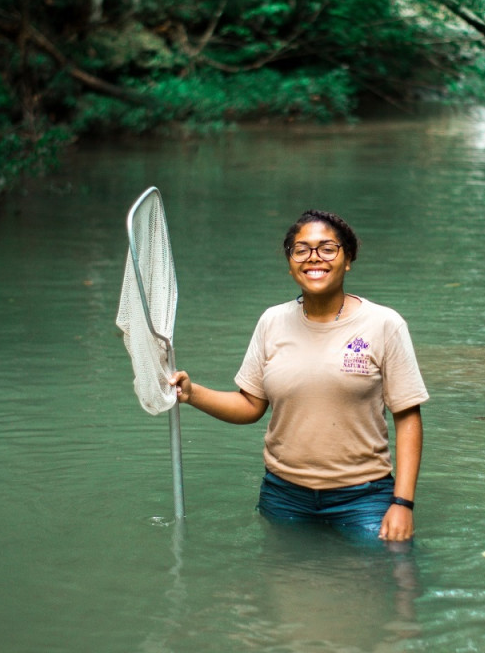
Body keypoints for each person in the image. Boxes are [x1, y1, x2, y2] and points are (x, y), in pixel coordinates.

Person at [169, 209, 428, 543]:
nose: (314, 258)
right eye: (301, 249)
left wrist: (402, 503)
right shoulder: (271, 322)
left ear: (347, 259)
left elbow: (407, 417)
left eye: (327, 248)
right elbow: (251, 405)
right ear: (290, 261)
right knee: (283, 581)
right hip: (284, 495)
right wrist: (192, 394)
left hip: (363, 497)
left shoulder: (384, 325)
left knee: (391, 575)